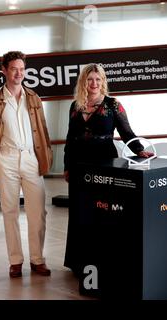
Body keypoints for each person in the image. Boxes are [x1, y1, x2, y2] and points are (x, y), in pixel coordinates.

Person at [63, 63, 153, 276]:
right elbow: (70, 139)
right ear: (84, 81)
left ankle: (102, 261)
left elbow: (127, 132)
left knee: (100, 212)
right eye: (90, 79)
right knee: (79, 212)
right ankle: (78, 262)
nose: (94, 83)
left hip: (104, 165)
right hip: (78, 166)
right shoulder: (75, 105)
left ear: (103, 82)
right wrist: (67, 166)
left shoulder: (113, 105)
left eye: (98, 79)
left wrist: (139, 150)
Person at [0, 51, 53, 278]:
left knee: (37, 212)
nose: (18, 73)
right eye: (14, 69)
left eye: (22, 69)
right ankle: (15, 261)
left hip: (31, 157)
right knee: (10, 211)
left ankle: (37, 259)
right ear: (4, 70)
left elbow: (42, 130)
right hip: (7, 159)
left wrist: (45, 158)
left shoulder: (34, 98)